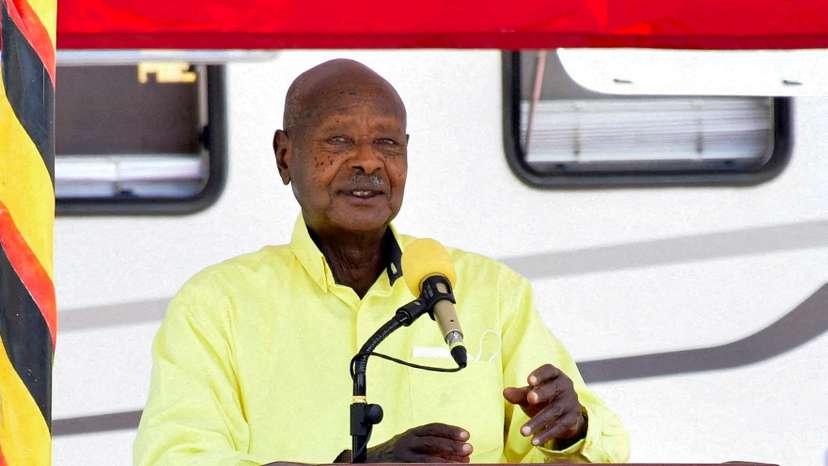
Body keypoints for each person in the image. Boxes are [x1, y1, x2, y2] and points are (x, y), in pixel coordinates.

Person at [133, 59, 629, 465]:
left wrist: (571, 430)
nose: (368, 161)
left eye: (387, 143)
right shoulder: (217, 303)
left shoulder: (492, 293)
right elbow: (176, 456)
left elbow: (600, 446)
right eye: (339, 140)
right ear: (286, 157)